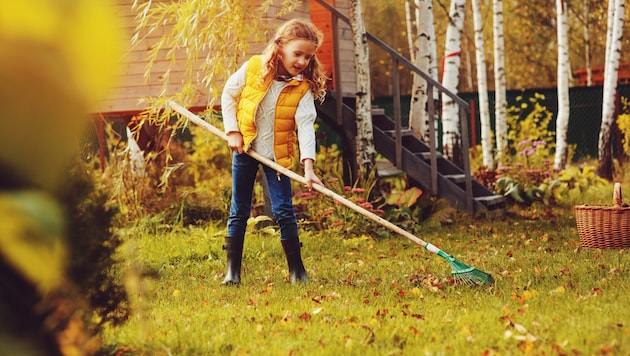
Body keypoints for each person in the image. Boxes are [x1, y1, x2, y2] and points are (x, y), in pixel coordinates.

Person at [220, 18, 327, 285]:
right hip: (246, 149)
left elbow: (305, 127)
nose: (302, 61)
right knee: (239, 210)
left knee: (284, 210)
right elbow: (228, 95)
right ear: (280, 47)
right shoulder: (255, 68)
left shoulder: (302, 88)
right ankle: (232, 272)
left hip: (277, 157)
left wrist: (309, 169)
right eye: (297, 54)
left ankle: (297, 271)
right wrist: (233, 131)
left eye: (308, 57)